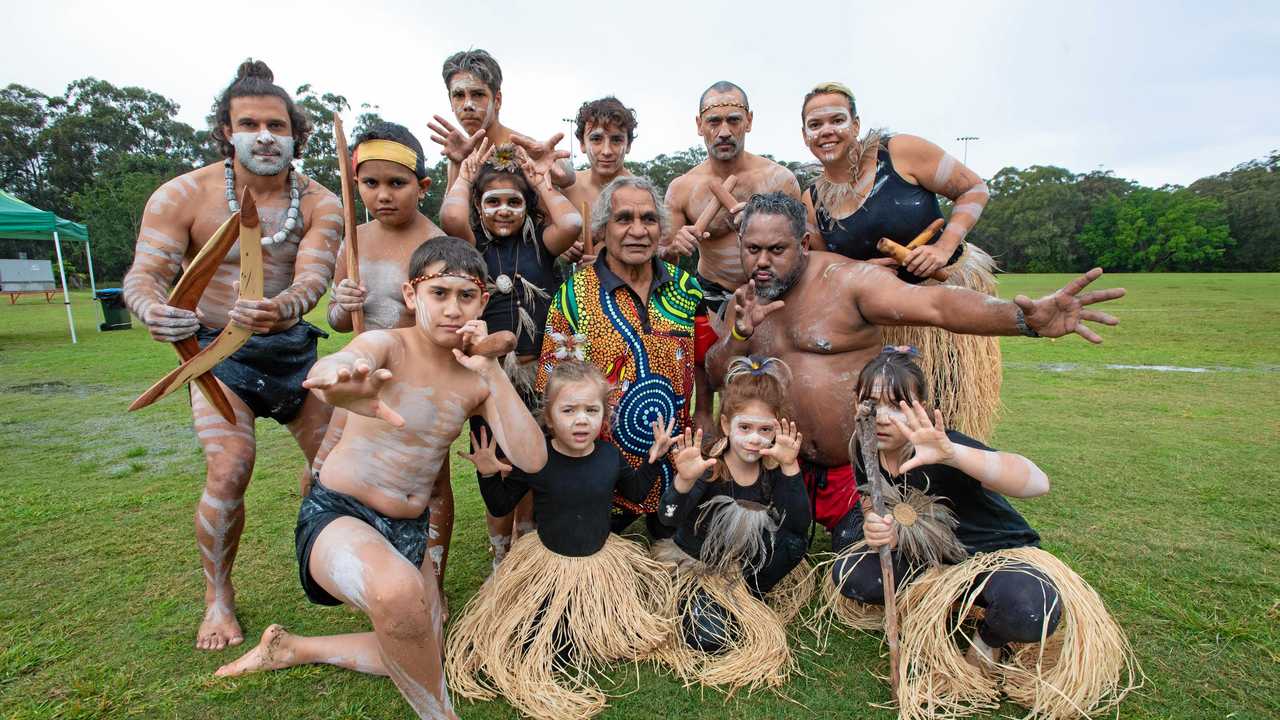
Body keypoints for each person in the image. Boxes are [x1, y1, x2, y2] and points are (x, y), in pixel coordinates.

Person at [213, 237, 547, 720]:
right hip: (341, 517)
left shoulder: (476, 378)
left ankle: (295, 648)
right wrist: (342, 376)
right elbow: (340, 362)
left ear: (482, 302)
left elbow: (532, 459)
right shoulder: (389, 344)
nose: (452, 308)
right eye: (439, 293)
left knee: (424, 645)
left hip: (408, 529)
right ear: (412, 296)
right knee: (397, 597)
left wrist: (492, 370)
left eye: (465, 295)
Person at [705, 192, 1124, 546]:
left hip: (859, 470)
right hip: (784, 467)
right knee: (749, 545)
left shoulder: (848, 280)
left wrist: (1023, 320)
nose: (762, 262)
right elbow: (717, 374)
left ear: (805, 242)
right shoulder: (745, 300)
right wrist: (740, 333)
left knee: (862, 560)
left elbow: (937, 305)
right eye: (752, 249)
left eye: (776, 250)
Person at [121, 59, 342, 651]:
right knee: (229, 468)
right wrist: (153, 310)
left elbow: (313, 277)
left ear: (296, 134)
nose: (265, 135)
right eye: (250, 123)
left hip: (293, 351)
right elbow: (145, 276)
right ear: (227, 129)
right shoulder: (182, 195)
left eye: (277, 125)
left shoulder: (320, 201)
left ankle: (324, 555)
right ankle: (218, 596)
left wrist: (284, 307)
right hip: (219, 356)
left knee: (336, 469)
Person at [827, 348, 1136, 718]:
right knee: (853, 574)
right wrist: (879, 528)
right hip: (931, 561)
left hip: (995, 558)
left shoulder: (945, 447)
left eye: (897, 405)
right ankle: (948, 604)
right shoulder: (865, 448)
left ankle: (989, 640)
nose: (882, 417)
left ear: (921, 407)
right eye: (871, 403)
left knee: (1029, 609)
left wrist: (953, 455)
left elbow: (1037, 482)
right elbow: (872, 500)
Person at [447, 360, 677, 720]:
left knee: (602, 638)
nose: (581, 419)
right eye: (569, 410)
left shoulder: (609, 456)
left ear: (605, 415)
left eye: (591, 410)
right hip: (549, 565)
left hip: (599, 567)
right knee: (542, 642)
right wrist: (488, 474)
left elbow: (635, 492)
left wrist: (654, 458)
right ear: (549, 417)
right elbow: (501, 503)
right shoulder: (536, 460)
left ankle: (591, 622)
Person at [799, 82, 1001, 439]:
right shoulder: (812, 201)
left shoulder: (900, 153)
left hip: (946, 310)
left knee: (945, 417)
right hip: (883, 322)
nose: (827, 131)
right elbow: (818, 261)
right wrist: (855, 271)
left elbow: (974, 189)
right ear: (805, 135)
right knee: (889, 425)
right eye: (815, 124)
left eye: (837, 120)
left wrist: (944, 246)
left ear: (856, 125)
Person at [315, 121, 455, 602]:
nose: (383, 195)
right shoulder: (353, 241)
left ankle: (431, 578)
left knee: (430, 482)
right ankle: (372, 569)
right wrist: (342, 304)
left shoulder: (438, 246)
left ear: (423, 186)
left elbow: (450, 321)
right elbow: (338, 322)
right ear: (355, 185)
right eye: (370, 183)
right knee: (336, 472)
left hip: (418, 382)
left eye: (396, 183)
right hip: (360, 383)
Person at [536, 175, 703, 538]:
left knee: (673, 566)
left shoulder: (686, 287)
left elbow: (708, 362)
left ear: (661, 229)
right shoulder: (574, 296)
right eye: (624, 219)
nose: (638, 230)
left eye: (649, 219)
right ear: (601, 229)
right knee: (600, 569)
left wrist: (738, 331)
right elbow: (552, 386)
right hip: (602, 473)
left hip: (675, 463)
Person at [440, 139, 581, 563]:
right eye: (493, 201)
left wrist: (542, 182)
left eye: (514, 201)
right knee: (495, 464)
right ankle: (501, 553)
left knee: (536, 459)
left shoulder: (541, 244)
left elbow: (572, 222)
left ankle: (528, 540)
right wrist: (464, 178)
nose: (504, 209)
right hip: (493, 377)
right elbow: (449, 216)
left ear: (527, 205)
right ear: (478, 207)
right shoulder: (473, 249)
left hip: (541, 372)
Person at [653, 355, 812, 690]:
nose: (754, 440)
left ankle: (749, 597)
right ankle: (708, 606)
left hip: (744, 566)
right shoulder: (709, 466)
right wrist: (683, 482)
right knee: (710, 638)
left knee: (795, 543)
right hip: (700, 567)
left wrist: (790, 468)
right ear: (726, 425)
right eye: (745, 428)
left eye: (764, 430)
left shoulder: (772, 470)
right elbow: (667, 519)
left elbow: (798, 525)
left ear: (777, 429)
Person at [662, 80, 802, 433]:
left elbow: (804, 248)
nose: (724, 131)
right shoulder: (683, 188)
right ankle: (709, 440)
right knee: (710, 386)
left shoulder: (778, 179)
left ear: (749, 121)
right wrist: (674, 244)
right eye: (714, 122)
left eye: (733, 120)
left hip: (769, 295)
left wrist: (757, 228)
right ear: (699, 125)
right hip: (710, 295)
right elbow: (661, 258)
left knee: (772, 388)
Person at [429, 48, 574, 192]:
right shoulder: (458, 156)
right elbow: (452, 213)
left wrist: (554, 165)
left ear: (497, 100)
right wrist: (456, 164)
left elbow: (569, 177)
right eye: (459, 95)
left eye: (478, 94)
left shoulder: (521, 148)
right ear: (450, 102)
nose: (468, 105)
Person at [560, 96, 637, 263]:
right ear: (582, 143)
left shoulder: (642, 195)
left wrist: (607, 265)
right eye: (596, 139)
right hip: (577, 287)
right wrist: (561, 246)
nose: (607, 150)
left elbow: (658, 258)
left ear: (629, 144)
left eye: (616, 140)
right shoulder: (567, 190)